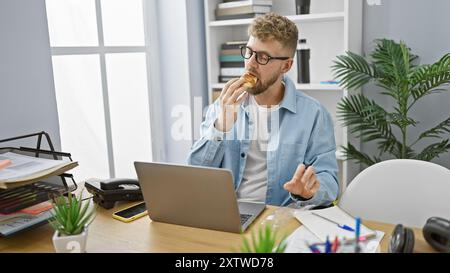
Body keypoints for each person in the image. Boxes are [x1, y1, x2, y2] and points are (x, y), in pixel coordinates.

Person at [188, 13, 338, 207]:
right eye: (249, 52)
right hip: (228, 214)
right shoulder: (223, 105)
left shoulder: (314, 115)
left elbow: (329, 181)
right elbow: (195, 173)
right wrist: (221, 126)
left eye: (263, 57)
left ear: (286, 65)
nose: (250, 63)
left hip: (280, 219)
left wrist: (308, 192)